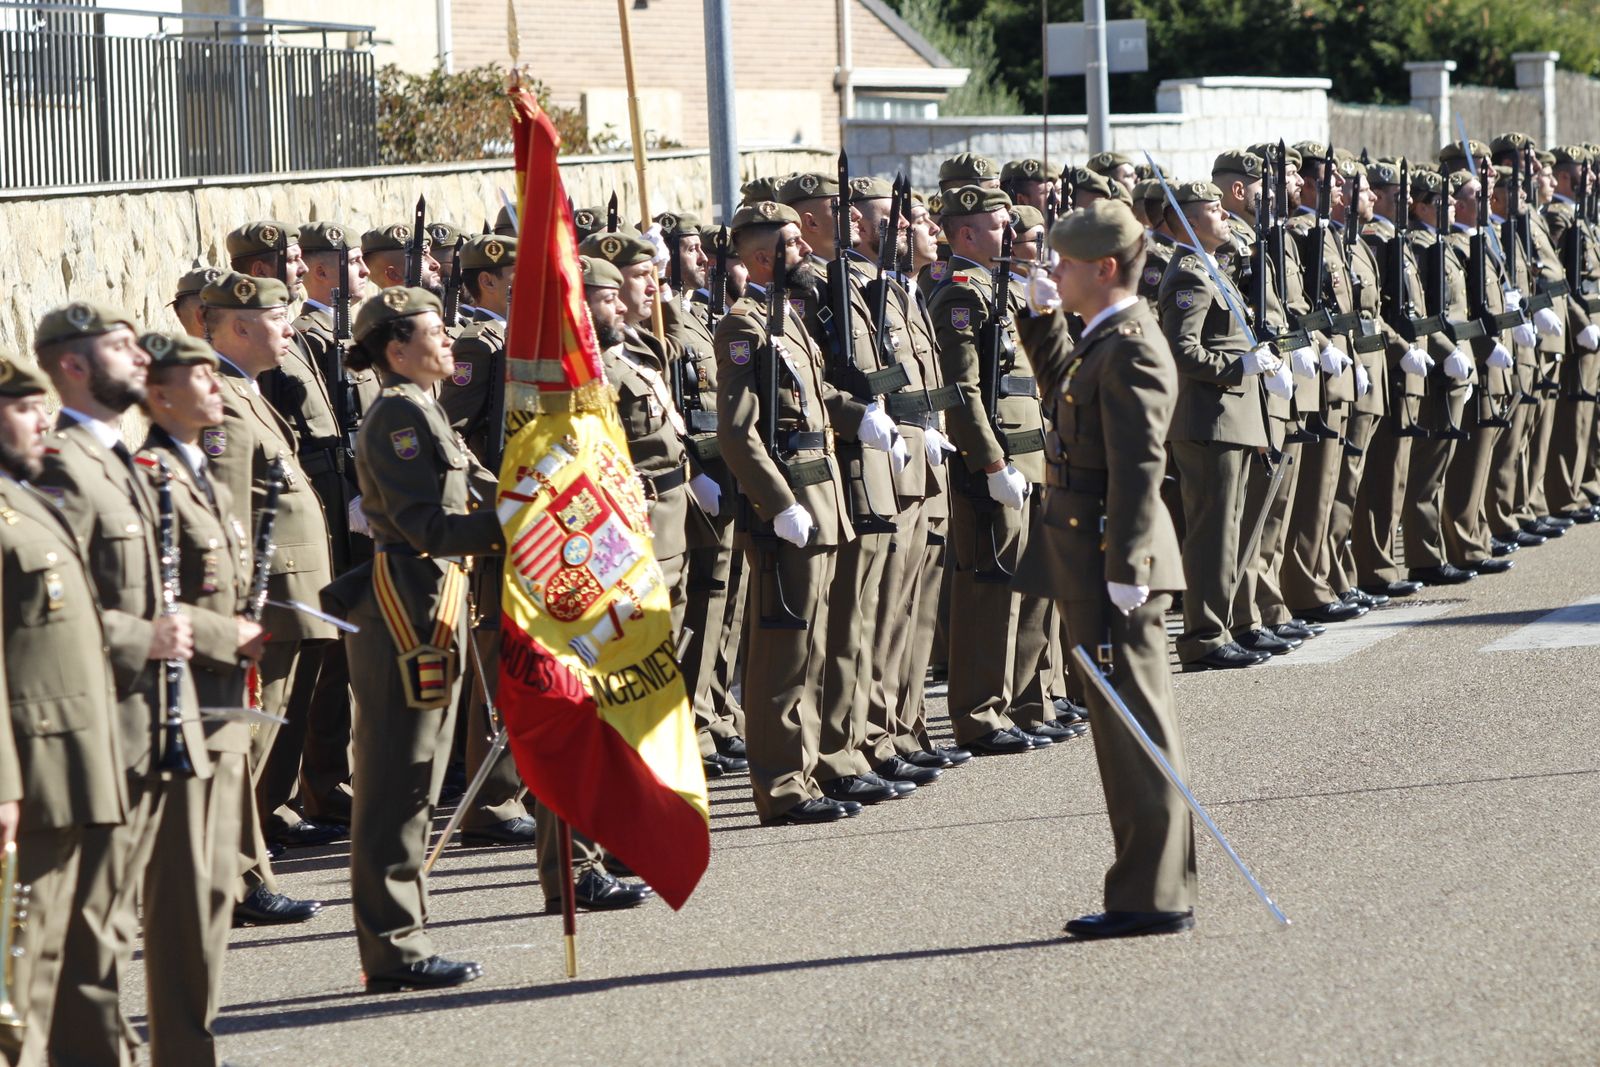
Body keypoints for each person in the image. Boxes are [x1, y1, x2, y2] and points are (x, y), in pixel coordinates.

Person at [32, 300, 208, 1064]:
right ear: (73, 365)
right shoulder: (65, 467)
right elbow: (51, 610)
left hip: (157, 722)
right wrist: (145, 635)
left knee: (162, 917)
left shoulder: (120, 458)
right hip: (107, 729)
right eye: (121, 346)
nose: (143, 360)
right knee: (90, 932)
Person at [1014, 198, 1197, 938]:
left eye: (1062, 263)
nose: (1053, 271)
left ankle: (1152, 896)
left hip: (1112, 559)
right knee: (1118, 726)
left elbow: (1138, 467)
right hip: (1090, 554)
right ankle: (1146, 886)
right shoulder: (1102, 338)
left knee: (1136, 727)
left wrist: (1127, 562)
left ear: (1105, 268)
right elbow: (1066, 395)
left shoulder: (1134, 345)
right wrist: (1038, 319)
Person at [331, 286, 503, 991]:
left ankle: (407, 934)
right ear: (396, 349)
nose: (451, 340)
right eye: (436, 332)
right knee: (397, 785)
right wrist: (517, 527)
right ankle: (394, 948)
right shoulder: (396, 417)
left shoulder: (425, 409)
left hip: (437, 599)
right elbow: (425, 527)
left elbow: (474, 489)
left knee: (419, 782)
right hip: (408, 609)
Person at [133, 330, 267, 1065]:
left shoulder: (200, 473)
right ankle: (183, 1052)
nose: (217, 388)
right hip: (183, 707)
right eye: (200, 377)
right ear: (159, 395)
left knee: (215, 894)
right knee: (183, 904)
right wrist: (229, 633)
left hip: (221, 712)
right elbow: (149, 601)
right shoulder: (151, 474)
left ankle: (195, 1044)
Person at [714, 200, 866, 824]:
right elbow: (738, 432)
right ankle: (779, 787)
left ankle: (804, 772)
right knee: (783, 651)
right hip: (789, 509)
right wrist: (777, 504)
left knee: (815, 645)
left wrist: (866, 418)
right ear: (759, 258)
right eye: (792, 244)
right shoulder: (743, 328)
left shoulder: (788, 319)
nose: (805, 251)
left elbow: (819, 398)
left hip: (821, 499)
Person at [0, 352, 126, 1065]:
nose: (41, 419)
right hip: (29, 773)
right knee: (20, 971)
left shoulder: (30, 503)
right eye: (21, 408)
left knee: (56, 958)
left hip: (74, 759)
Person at [198, 272, 332, 925]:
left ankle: (248, 875)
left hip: (290, 593)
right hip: (266, 598)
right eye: (279, 319)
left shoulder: (244, 390)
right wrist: (241, 608)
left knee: (266, 747)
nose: (289, 331)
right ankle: (237, 882)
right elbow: (228, 516)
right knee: (246, 748)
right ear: (240, 327)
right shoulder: (221, 400)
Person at [1158, 181, 1279, 670]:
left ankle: (1221, 626)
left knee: (1229, 531)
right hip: (1209, 420)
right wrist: (1238, 368)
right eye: (1212, 210)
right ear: (1185, 222)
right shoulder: (1188, 276)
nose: (1224, 215)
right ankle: (1203, 637)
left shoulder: (1214, 271)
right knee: (1212, 533)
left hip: (1230, 417)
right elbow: (1182, 351)